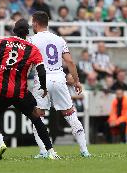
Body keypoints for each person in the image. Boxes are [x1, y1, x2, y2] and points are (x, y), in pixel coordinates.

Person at [0, 18, 60, 160]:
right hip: (20, 92)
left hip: (1, 89)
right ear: (27, 33)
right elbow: (42, 71)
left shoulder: (1, 42)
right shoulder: (32, 49)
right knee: (36, 118)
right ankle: (51, 152)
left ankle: (0, 142)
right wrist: (43, 87)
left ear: (14, 30)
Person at [29, 11, 91, 158]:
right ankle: (84, 150)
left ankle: (44, 151)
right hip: (58, 76)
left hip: (42, 78)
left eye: (32, 22)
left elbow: (28, 63)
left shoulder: (31, 40)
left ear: (35, 23)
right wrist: (76, 81)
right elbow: (69, 61)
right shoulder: (59, 39)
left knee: (38, 116)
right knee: (70, 114)